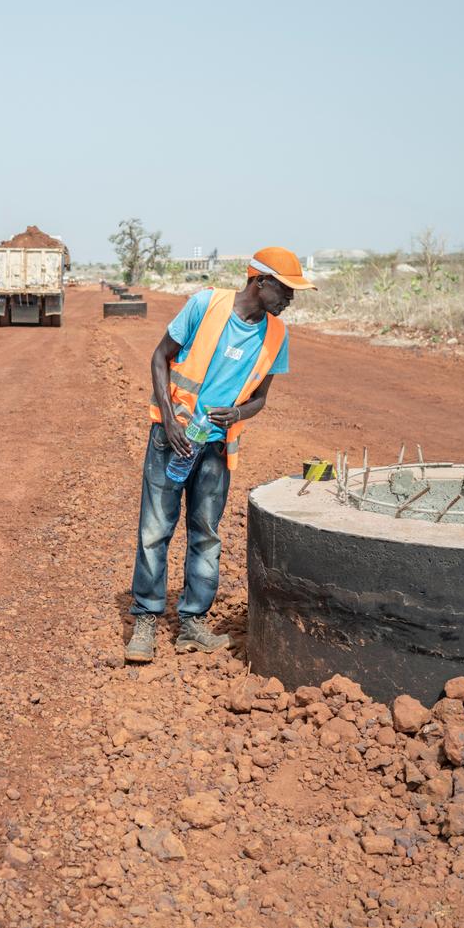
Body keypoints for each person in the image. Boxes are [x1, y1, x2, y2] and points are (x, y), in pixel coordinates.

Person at [124, 247, 315, 664]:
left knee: (206, 533)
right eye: (286, 289)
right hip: (172, 438)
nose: (290, 299)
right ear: (259, 281)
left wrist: (239, 413)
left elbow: (260, 399)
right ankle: (146, 619)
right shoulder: (205, 305)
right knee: (155, 530)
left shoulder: (277, 335)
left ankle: (192, 623)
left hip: (216, 447)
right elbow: (159, 357)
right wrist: (171, 423)